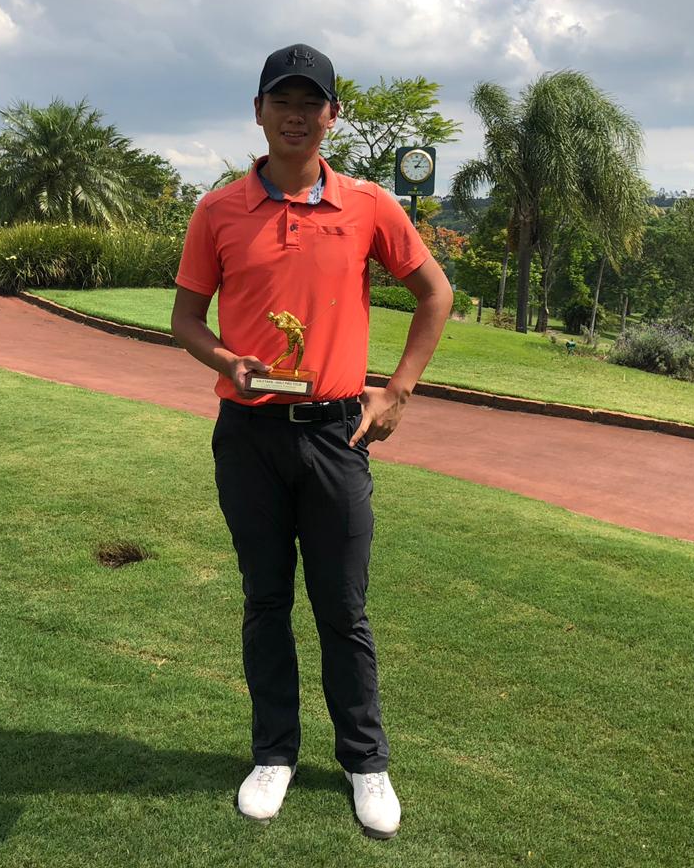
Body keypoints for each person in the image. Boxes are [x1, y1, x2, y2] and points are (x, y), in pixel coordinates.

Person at [170, 42, 452, 840]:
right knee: (265, 600)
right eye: (280, 101)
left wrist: (397, 390)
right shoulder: (218, 209)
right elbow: (185, 318)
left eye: (311, 103)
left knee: (342, 607)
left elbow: (435, 292)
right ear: (258, 112)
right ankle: (274, 754)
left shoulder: (366, 206)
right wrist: (229, 361)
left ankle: (366, 762)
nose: (295, 115)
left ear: (332, 116)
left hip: (334, 436)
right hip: (248, 435)